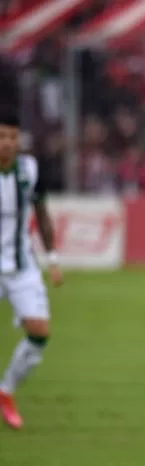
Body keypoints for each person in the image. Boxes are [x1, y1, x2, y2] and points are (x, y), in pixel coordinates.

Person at [0, 107, 62, 430]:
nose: (7, 143)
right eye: (1, 137)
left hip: (22, 265)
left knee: (39, 332)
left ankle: (6, 390)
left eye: (11, 137)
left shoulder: (29, 169)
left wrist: (52, 260)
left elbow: (43, 213)